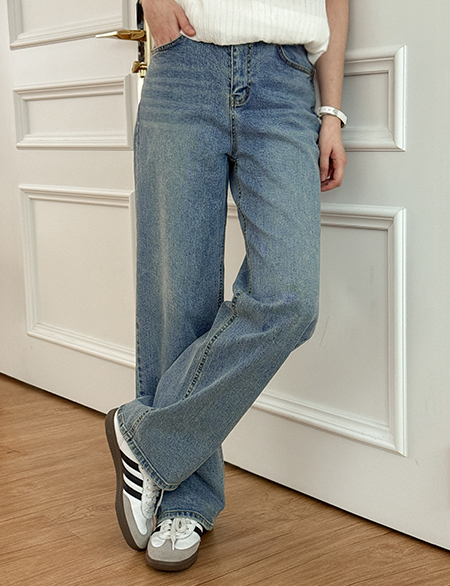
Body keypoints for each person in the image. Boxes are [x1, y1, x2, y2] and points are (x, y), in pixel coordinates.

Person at [105, 0, 348, 573]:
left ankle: (146, 439)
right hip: (184, 68)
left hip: (286, 82)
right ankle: (182, 503)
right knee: (179, 299)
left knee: (290, 299)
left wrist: (332, 111)